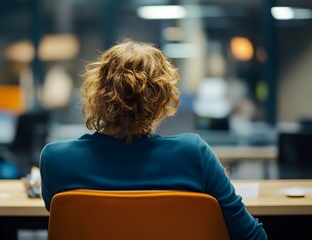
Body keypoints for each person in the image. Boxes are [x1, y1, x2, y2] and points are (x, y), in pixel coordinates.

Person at [40, 39, 267, 240]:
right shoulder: (193, 154)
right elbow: (253, 236)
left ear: (96, 93)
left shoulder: (56, 159)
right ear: (161, 100)